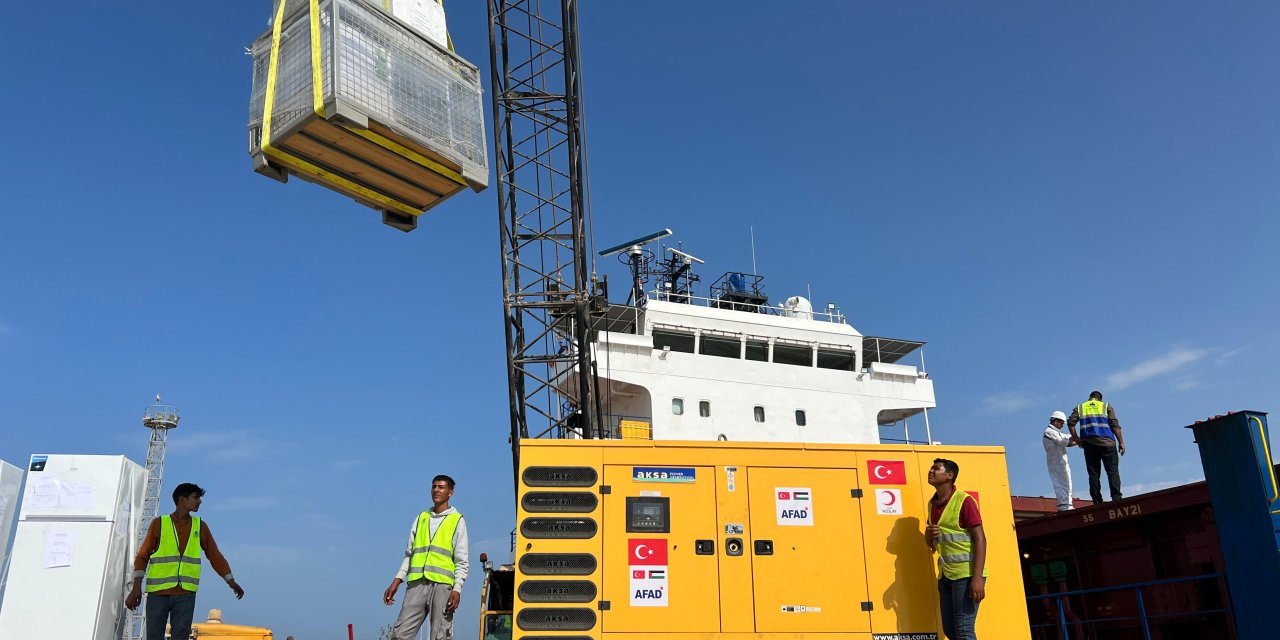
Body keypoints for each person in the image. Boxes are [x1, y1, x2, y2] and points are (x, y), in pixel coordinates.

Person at [125, 483, 245, 640]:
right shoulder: (159, 524)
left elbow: (215, 556)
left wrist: (230, 580)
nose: (199, 501)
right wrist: (136, 588)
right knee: (154, 636)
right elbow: (142, 556)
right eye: (196, 498)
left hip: (185, 595)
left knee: (180, 637)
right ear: (182, 499)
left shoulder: (200, 526)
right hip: (158, 594)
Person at [384, 475, 470, 640]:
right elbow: (409, 555)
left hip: (442, 586)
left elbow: (462, 561)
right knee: (400, 634)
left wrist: (457, 588)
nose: (436, 490)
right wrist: (397, 580)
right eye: (434, 487)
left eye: (441, 487)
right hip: (416, 584)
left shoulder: (457, 520)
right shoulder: (420, 518)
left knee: (440, 636)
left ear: (450, 492)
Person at [925, 458, 986, 640]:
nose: (931, 471)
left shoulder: (964, 500)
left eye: (936, 468)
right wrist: (927, 536)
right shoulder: (932, 504)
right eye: (931, 468)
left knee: (964, 630)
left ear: (949, 475)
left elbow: (981, 539)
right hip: (946, 576)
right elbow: (933, 546)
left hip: (966, 576)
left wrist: (977, 579)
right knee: (950, 630)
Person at [1067, 390, 1126, 504]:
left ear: (1090, 398)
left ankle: (1097, 499)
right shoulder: (1106, 406)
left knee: (1093, 473)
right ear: (1100, 399)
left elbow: (1071, 423)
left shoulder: (1080, 407)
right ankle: (1116, 497)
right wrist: (1121, 442)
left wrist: (1077, 439)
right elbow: (1114, 425)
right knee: (1112, 471)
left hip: (1089, 444)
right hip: (1108, 443)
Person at [1043, 410, 1077, 511]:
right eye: (1061, 423)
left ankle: (1067, 504)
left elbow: (1067, 437)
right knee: (1061, 483)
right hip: (1056, 462)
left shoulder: (1056, 432)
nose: (1062, 425)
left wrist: (1077, 437)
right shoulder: (1049, 432)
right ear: (1056, 421)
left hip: (1060, 461)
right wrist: (1079, 442)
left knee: (1067, 482)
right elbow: (1064, 442)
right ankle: (1064, 505)